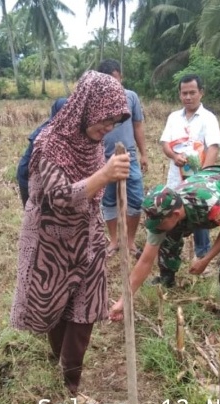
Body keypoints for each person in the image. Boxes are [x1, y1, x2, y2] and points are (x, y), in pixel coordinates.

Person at [10, 71, 131, 396]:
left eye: (113, 123)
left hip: (87, 239)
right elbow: (60, 196)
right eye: (104, 120)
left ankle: (71, 382)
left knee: (86, 310)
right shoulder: (49, 143)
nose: (107, 129)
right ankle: (57, 360)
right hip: (51, 241)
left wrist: (111, 175)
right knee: (55, 308)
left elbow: (93, 188)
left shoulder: (92, 144)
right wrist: (105, 174)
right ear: (86, 107)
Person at [109, 165, 220, 341]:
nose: (156, 229)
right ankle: (167, 277)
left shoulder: (211, 203)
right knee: (168, 236)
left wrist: (205, 259)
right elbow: (145, 261)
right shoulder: (165, 211)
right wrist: (123, 301)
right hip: (199, 191)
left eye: (159, 224)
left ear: (176, 214)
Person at [159, 74, 220, 263]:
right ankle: (170, 258)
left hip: (198, 178)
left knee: (199, 215)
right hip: (175, 178)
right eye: (184, 93)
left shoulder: (208, 118)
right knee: (172, 214)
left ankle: (202, 256)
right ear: (179, 94)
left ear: (201, 93)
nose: (188, 97)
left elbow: (213, 147)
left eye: (192, 93)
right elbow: (165, 143)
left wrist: (202, 177)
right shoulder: (173, 118)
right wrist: (174, 156)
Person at [96, 59, 148, 259]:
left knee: (135, 200)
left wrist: (144, 154)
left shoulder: (131, 97)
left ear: (121, 78)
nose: (112, 86)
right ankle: (114, 240)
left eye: (115, 80)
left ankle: (130, 241)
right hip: (102, 159)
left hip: (129, 158)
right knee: (107, 201)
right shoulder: (95, 99)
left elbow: (137, 126)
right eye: (107, 81)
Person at [16, 97, 68, 207]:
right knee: (33, 209)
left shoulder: (62, 129)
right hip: (27, 175)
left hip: (40, 176)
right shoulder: (46, 133)